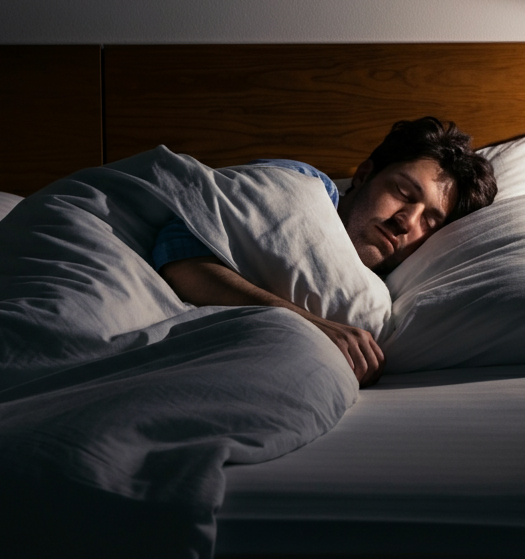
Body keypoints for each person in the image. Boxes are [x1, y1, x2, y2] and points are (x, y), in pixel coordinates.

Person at [153, 117, 497, 386]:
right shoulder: (302, 184)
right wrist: (314, 325)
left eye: (430, 221)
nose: (407, 221)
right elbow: (180, 255)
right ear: (364, 176)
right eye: (404, 193)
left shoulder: (387, 292)